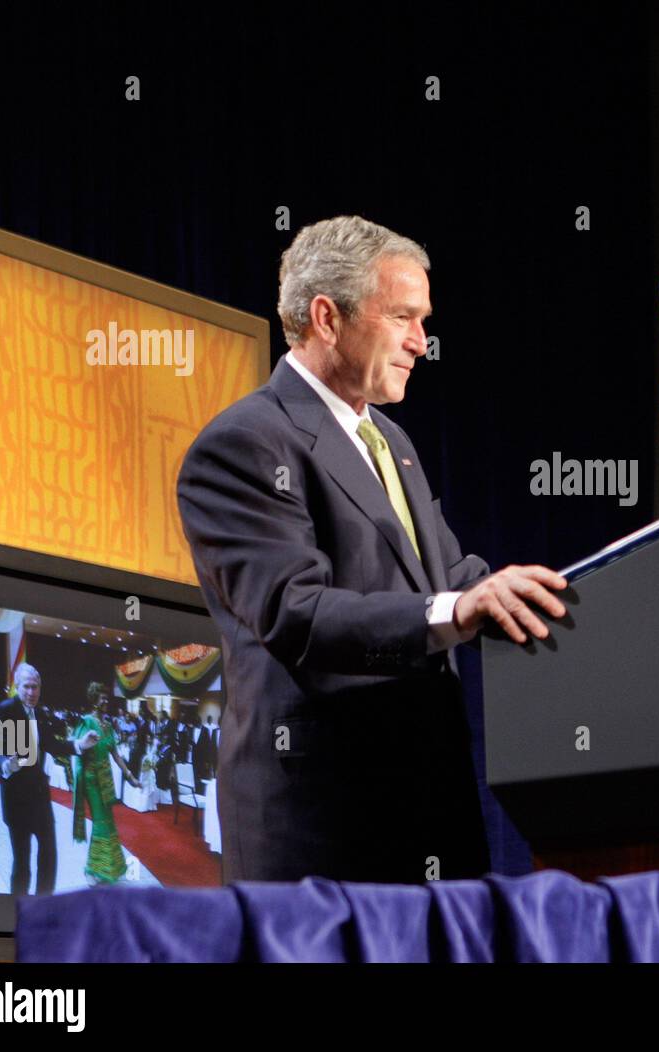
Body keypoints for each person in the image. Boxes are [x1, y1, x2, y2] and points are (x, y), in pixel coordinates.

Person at [177, 216, 568, 884]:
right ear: (327, 318)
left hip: (428, 817)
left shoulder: (394, 442)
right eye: (403, 318)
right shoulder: (244, 444)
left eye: (424, 320)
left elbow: (446, 576)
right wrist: (459, 608)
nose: (422, 341)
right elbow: (294, 612)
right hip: (323, 834)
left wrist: (575, 589)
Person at [0, 664, 99, 896]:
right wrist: (7, 765)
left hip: (40, 799)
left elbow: (52, 744)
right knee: (22, 863)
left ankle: (44, 906)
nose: (31, 692)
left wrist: (80, 745)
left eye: (35, 687)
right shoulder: (5, 710)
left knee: (49, 855)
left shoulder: (40, 713)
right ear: (17, 687)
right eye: (27, 686)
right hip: (16, 801)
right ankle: (17, 910)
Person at [71, 684, 140, 885]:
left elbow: (116, 755)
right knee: (100, 822)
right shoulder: (86, 722)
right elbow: (77, 749)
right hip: (92, 782)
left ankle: (104, 867)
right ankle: (92, 868)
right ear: (93, 700)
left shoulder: (108, 726)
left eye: (106, 698)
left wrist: (129, 776)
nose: (105, 702)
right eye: (101, 698)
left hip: (107, 781)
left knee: (107, 822)